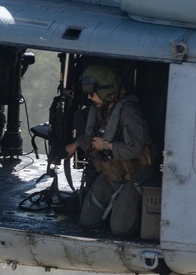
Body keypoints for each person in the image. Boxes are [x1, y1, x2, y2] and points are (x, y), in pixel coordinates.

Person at [64, 64, 154, 236]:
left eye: (92, 92)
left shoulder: (129, 112)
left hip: (131, 178)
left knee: (120, 230)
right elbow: (93, 136)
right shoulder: (102, 110)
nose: (89, 97)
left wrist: (107, 146)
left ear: (107, 90)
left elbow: (135, 148)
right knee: (87, 221)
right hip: (111, 173)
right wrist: (75, 145)